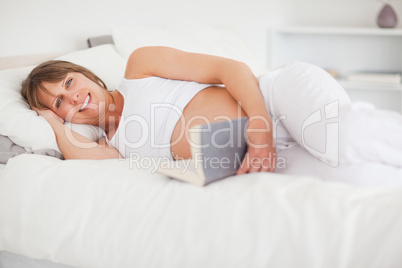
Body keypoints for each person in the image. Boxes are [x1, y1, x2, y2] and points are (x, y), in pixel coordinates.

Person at [21, 46, 352, 175]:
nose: (73, 98)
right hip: (259, 158)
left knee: (350, 145)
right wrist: (49, 118)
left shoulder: (140, 68)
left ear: (88, 75)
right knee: (354, 180)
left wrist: (261, 130)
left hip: (274, 102)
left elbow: (231, 69)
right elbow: (85, 158)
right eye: (59, 103)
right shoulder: (113, 148)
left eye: (68, 83)